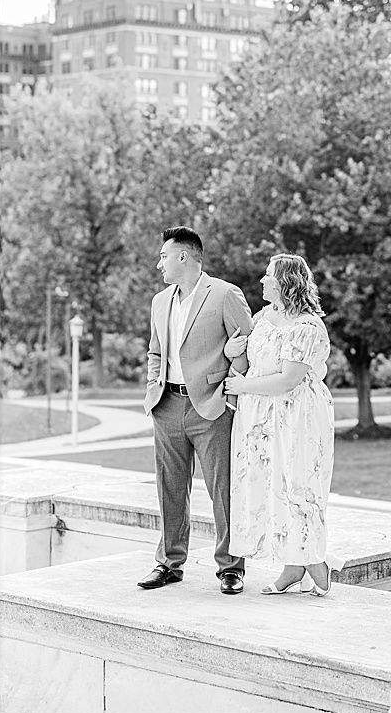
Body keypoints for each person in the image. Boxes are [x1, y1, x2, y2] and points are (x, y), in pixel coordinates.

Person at [139, 226, 255, 595]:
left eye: (163, 256)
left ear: (184, 257)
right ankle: (170, 564)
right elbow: (155, 352)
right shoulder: (160, 301)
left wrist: (229, 389)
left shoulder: (224, 294)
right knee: (170, 488)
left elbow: (251, 347)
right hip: (167, 406)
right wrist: (152, 387)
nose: (159, 263)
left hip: (212, 407)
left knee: (223, 490)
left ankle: (231, 568)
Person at [221, 253, 336, 596]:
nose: (261, 281)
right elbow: (249, 363)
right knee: (270, 488)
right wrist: (231, 352)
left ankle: (314, 560)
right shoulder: (263, 317)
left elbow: (288, 380)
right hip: (260, 419)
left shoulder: (307, 326)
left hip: (296, 418)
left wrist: (241, 388)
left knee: (298, 487)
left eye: (268, 276)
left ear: (284, 282)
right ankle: (292, 566)